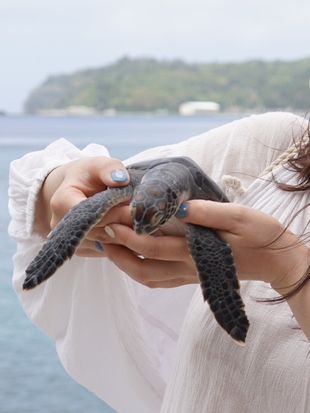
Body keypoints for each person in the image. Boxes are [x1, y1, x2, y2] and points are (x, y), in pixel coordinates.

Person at [8, 112, 310, 413]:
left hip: (180, 204)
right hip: (154, 182)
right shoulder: (282, 147)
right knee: (85, 214)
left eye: (151, 217)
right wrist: (65, 190)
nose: (144, 224)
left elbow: (254, 253)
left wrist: (289, 267)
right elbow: (47, 202)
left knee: (209, 253)